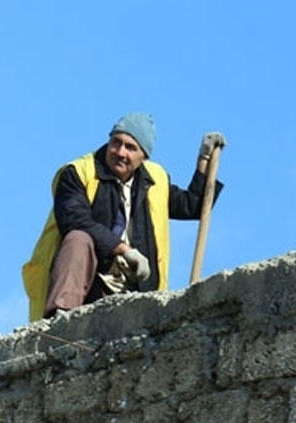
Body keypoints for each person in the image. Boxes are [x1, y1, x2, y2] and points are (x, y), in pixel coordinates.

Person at [23, 112, 225, 321]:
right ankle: (61, 320)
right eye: (116, 142)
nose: (120, 152)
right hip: (92, 282)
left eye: (130, 147)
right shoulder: (79, 172)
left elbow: (194, 206)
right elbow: (75, 220)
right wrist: (123, 250)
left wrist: (204, 160)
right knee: (78, 239)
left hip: (134, 288)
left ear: (143, 157)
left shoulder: (154, 179)